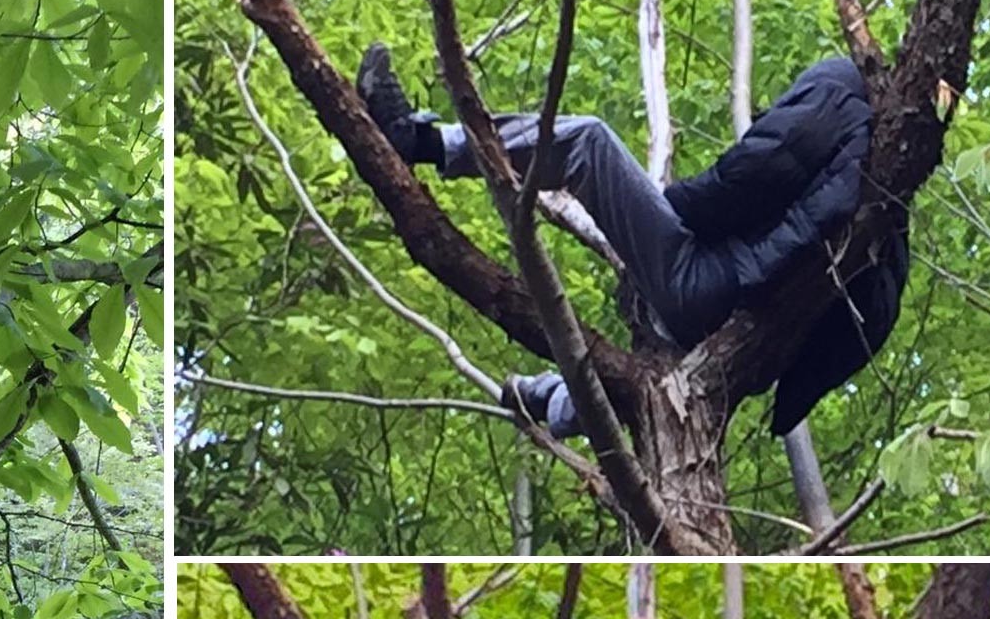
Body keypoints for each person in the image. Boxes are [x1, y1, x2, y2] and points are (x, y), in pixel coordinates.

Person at [356, 45, 911, 437]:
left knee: (589, 144)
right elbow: (860, 334)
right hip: (745, 329)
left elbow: (756, 167)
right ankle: (551, 401)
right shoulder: (890, 221)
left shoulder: (839, 90)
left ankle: (422, 142)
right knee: (651, 381)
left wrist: (670, 206)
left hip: (712, 288)